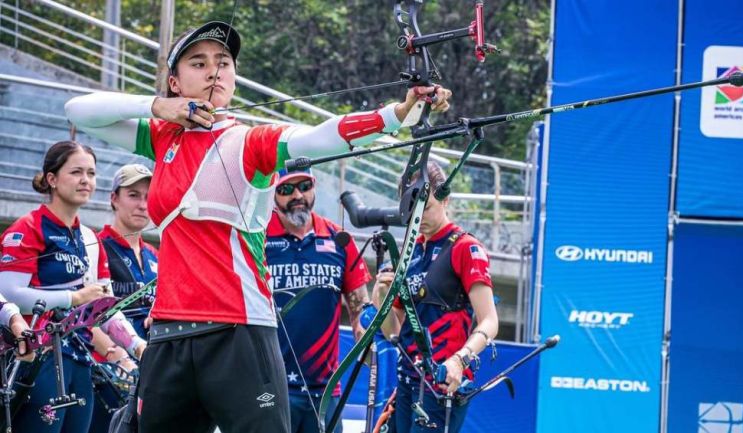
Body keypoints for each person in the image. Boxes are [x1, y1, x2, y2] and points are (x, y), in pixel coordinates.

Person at [64, 20, 451, 433]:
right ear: (174, 82)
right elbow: (79, 111)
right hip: (168, 334)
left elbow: (320, 137)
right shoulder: (163, 138)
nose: (214, 71)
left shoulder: (250, 142)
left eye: (224, 62)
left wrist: (396, 114)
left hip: (238, 332)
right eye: (198, 63)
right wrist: (157, 106)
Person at [0, 141, 146, 433]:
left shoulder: (91, 240)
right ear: (52, 179)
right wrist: (73, 297)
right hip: (36, 360)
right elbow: (9, 294)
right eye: (76, 172)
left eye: (91, 173)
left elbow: (105, 308)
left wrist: (138, 347)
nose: (85, 180)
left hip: (80, 361)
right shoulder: (27, 228)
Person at [372, 161, 498, 433]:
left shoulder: (466, 247)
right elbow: (396, 332)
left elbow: (490, 321)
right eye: (411, 209)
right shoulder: (409, 252)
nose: (418, 217)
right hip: (406, 382)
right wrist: (382, 298)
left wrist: (459, 360)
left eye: (425, 207)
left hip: (442, 385)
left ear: (445, 199)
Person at [266, 167, 371, 433]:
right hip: (269, 387)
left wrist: (367, 338)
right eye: (286, 189)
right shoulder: (257, 237)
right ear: (272, 194)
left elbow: (360, 308)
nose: (297, 195)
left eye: (304, 186)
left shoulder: (339, 239)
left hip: (325, 392)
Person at [89, 163, 157, 433]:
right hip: (106, 372)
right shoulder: (95, 246)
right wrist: (117, 357)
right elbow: (84, 316)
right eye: (134, 195)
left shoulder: (155, 255)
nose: (143, 205)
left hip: (148, 372)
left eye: (148, 197)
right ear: (114, 198)